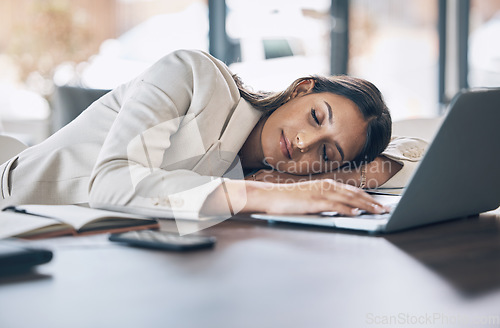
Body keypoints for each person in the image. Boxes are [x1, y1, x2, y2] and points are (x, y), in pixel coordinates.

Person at [0, 50, 426, 219]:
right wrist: (276, 194)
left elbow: (416, 152)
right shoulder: (193, 76)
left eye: (327, 153)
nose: (302, 144)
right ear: (300, 90)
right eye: (316, 117)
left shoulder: (275, 172)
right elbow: (114, 183)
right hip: (17, 216)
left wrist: (335, 180)